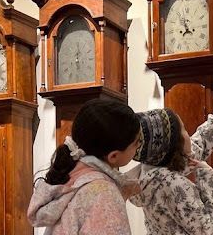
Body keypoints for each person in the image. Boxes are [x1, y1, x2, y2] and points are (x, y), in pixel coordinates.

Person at [127, 84, 213, 235]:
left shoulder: (150, 173)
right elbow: (211, 231)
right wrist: (207, 174)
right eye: (183, 129)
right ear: (174, 145)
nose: (188, 134)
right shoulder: (174, 185)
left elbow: (200, 143)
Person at [28, 99, 142, 235]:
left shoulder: (74, 175)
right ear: (113, 156)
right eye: (136, 143)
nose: (138, 147)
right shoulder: (104, 192)